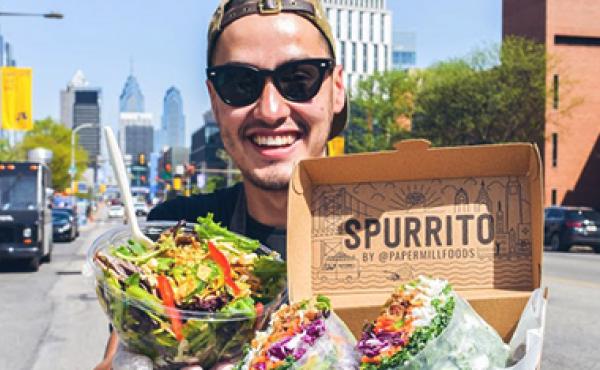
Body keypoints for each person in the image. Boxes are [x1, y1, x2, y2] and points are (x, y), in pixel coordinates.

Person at [95, 0, 347, 368]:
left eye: (299, 79)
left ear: (337, 89)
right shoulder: (173, 235)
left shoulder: (402, 229)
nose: (270, 110)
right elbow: (115, 356)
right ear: (215, 102)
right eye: (239, 84)